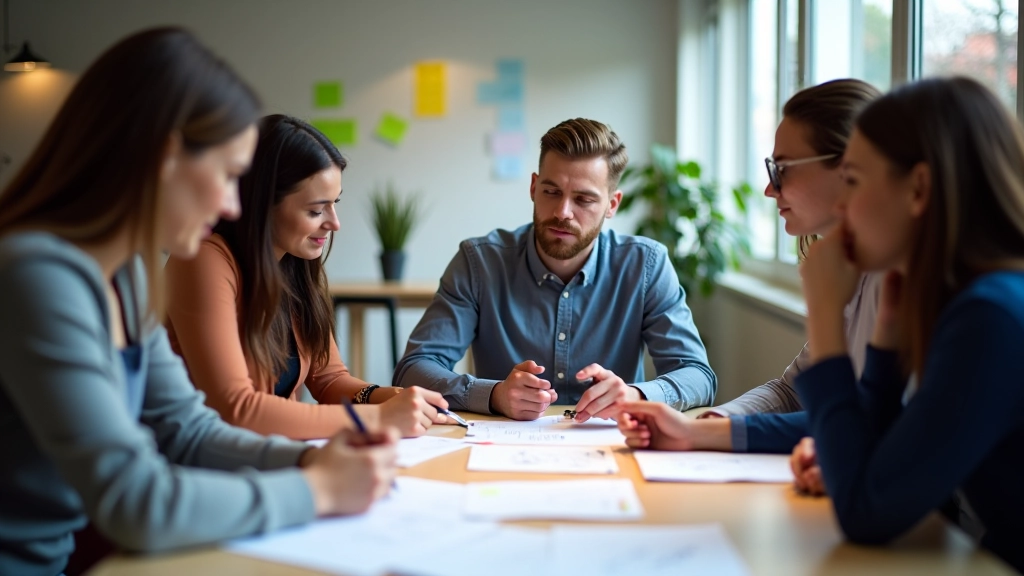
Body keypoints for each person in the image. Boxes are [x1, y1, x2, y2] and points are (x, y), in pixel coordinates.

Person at [0, 28, 396, 576]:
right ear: (166, 157)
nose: (233, 205)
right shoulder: (36, 276)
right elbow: (134, 500)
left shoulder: (127, 276)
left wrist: (311, 458)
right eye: (229, 176)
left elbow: (188, 430)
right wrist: (318, 489)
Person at [638, 77, 1024, 571]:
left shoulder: (989, 315)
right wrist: (886, 342)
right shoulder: (955, 298)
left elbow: (865, 510)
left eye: (855, 181)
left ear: (918, 189)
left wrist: (824, 316)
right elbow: (876, 435)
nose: (843, 206)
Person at [617, 79, 882, 454]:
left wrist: (701, 434)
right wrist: (716, 421)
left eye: (782, 169)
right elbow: (792, 393)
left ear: (848, 167)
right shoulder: (849, 268)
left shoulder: (901, 280)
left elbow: (865, 423)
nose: (770, 189)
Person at [394, 118, 716, 421]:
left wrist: (635, 395)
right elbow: (413, 369)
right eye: (551, 192)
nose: (563, 212)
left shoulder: (646, 266)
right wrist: (493, 395)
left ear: (612, 205)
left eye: (584, 200)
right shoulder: (479, 263)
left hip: (613, 449)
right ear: (534, 188)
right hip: (502, 448)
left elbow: (698, 376)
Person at [165, 114, 450, 440]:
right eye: (316, 210)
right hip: (203, 458)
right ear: (263, 205)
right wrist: (376, 417)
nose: (334, 223)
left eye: (334, 203)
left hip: (270, 455)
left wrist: (391, 397)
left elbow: (330, 380)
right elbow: (237, 408)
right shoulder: (202, 260)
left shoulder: (295, 265)